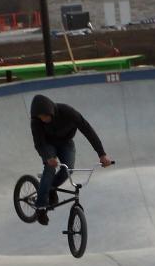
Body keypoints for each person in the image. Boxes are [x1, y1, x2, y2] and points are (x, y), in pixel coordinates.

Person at [29, 94, 113, 225]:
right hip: (47, 144)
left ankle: (50, 188)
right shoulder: (36, 122)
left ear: (50, 111)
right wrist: (48, 157)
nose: (43, 119)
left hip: (66, 143)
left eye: (45, 116)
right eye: (40, 118)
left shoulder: (68, 112)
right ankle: (41, 207)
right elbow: (39, 143)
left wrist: (102, 154)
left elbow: (87, 130)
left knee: (68, 170)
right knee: (50, 167)